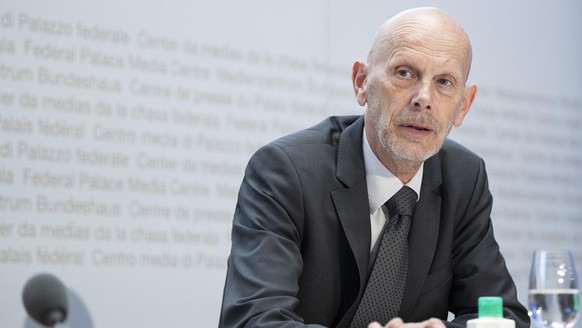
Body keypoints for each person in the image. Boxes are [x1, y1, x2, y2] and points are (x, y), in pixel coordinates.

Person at [219, 7, 529, 328]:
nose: (423, 98)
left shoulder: (463, 178)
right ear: (362, 82)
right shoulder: (285, 171)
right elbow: (253, 320)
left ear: (463, 105)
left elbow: (504, 318)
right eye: (404, 73)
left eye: (444, 82)